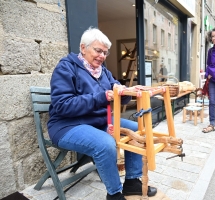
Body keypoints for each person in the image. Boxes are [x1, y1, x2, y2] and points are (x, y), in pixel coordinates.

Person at [47, 27, 157, 200]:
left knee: (138, 130)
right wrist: (102, 97)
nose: (102, 56)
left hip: (97, 121)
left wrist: (128, 91)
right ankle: (114, 194)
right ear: (83, 48)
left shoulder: (103, 71)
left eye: (105, 53)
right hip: (67, 125)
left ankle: (132, 182)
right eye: (98, 51)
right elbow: (62, 105)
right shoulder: (66, 67)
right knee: (105, 144)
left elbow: (117, 92)